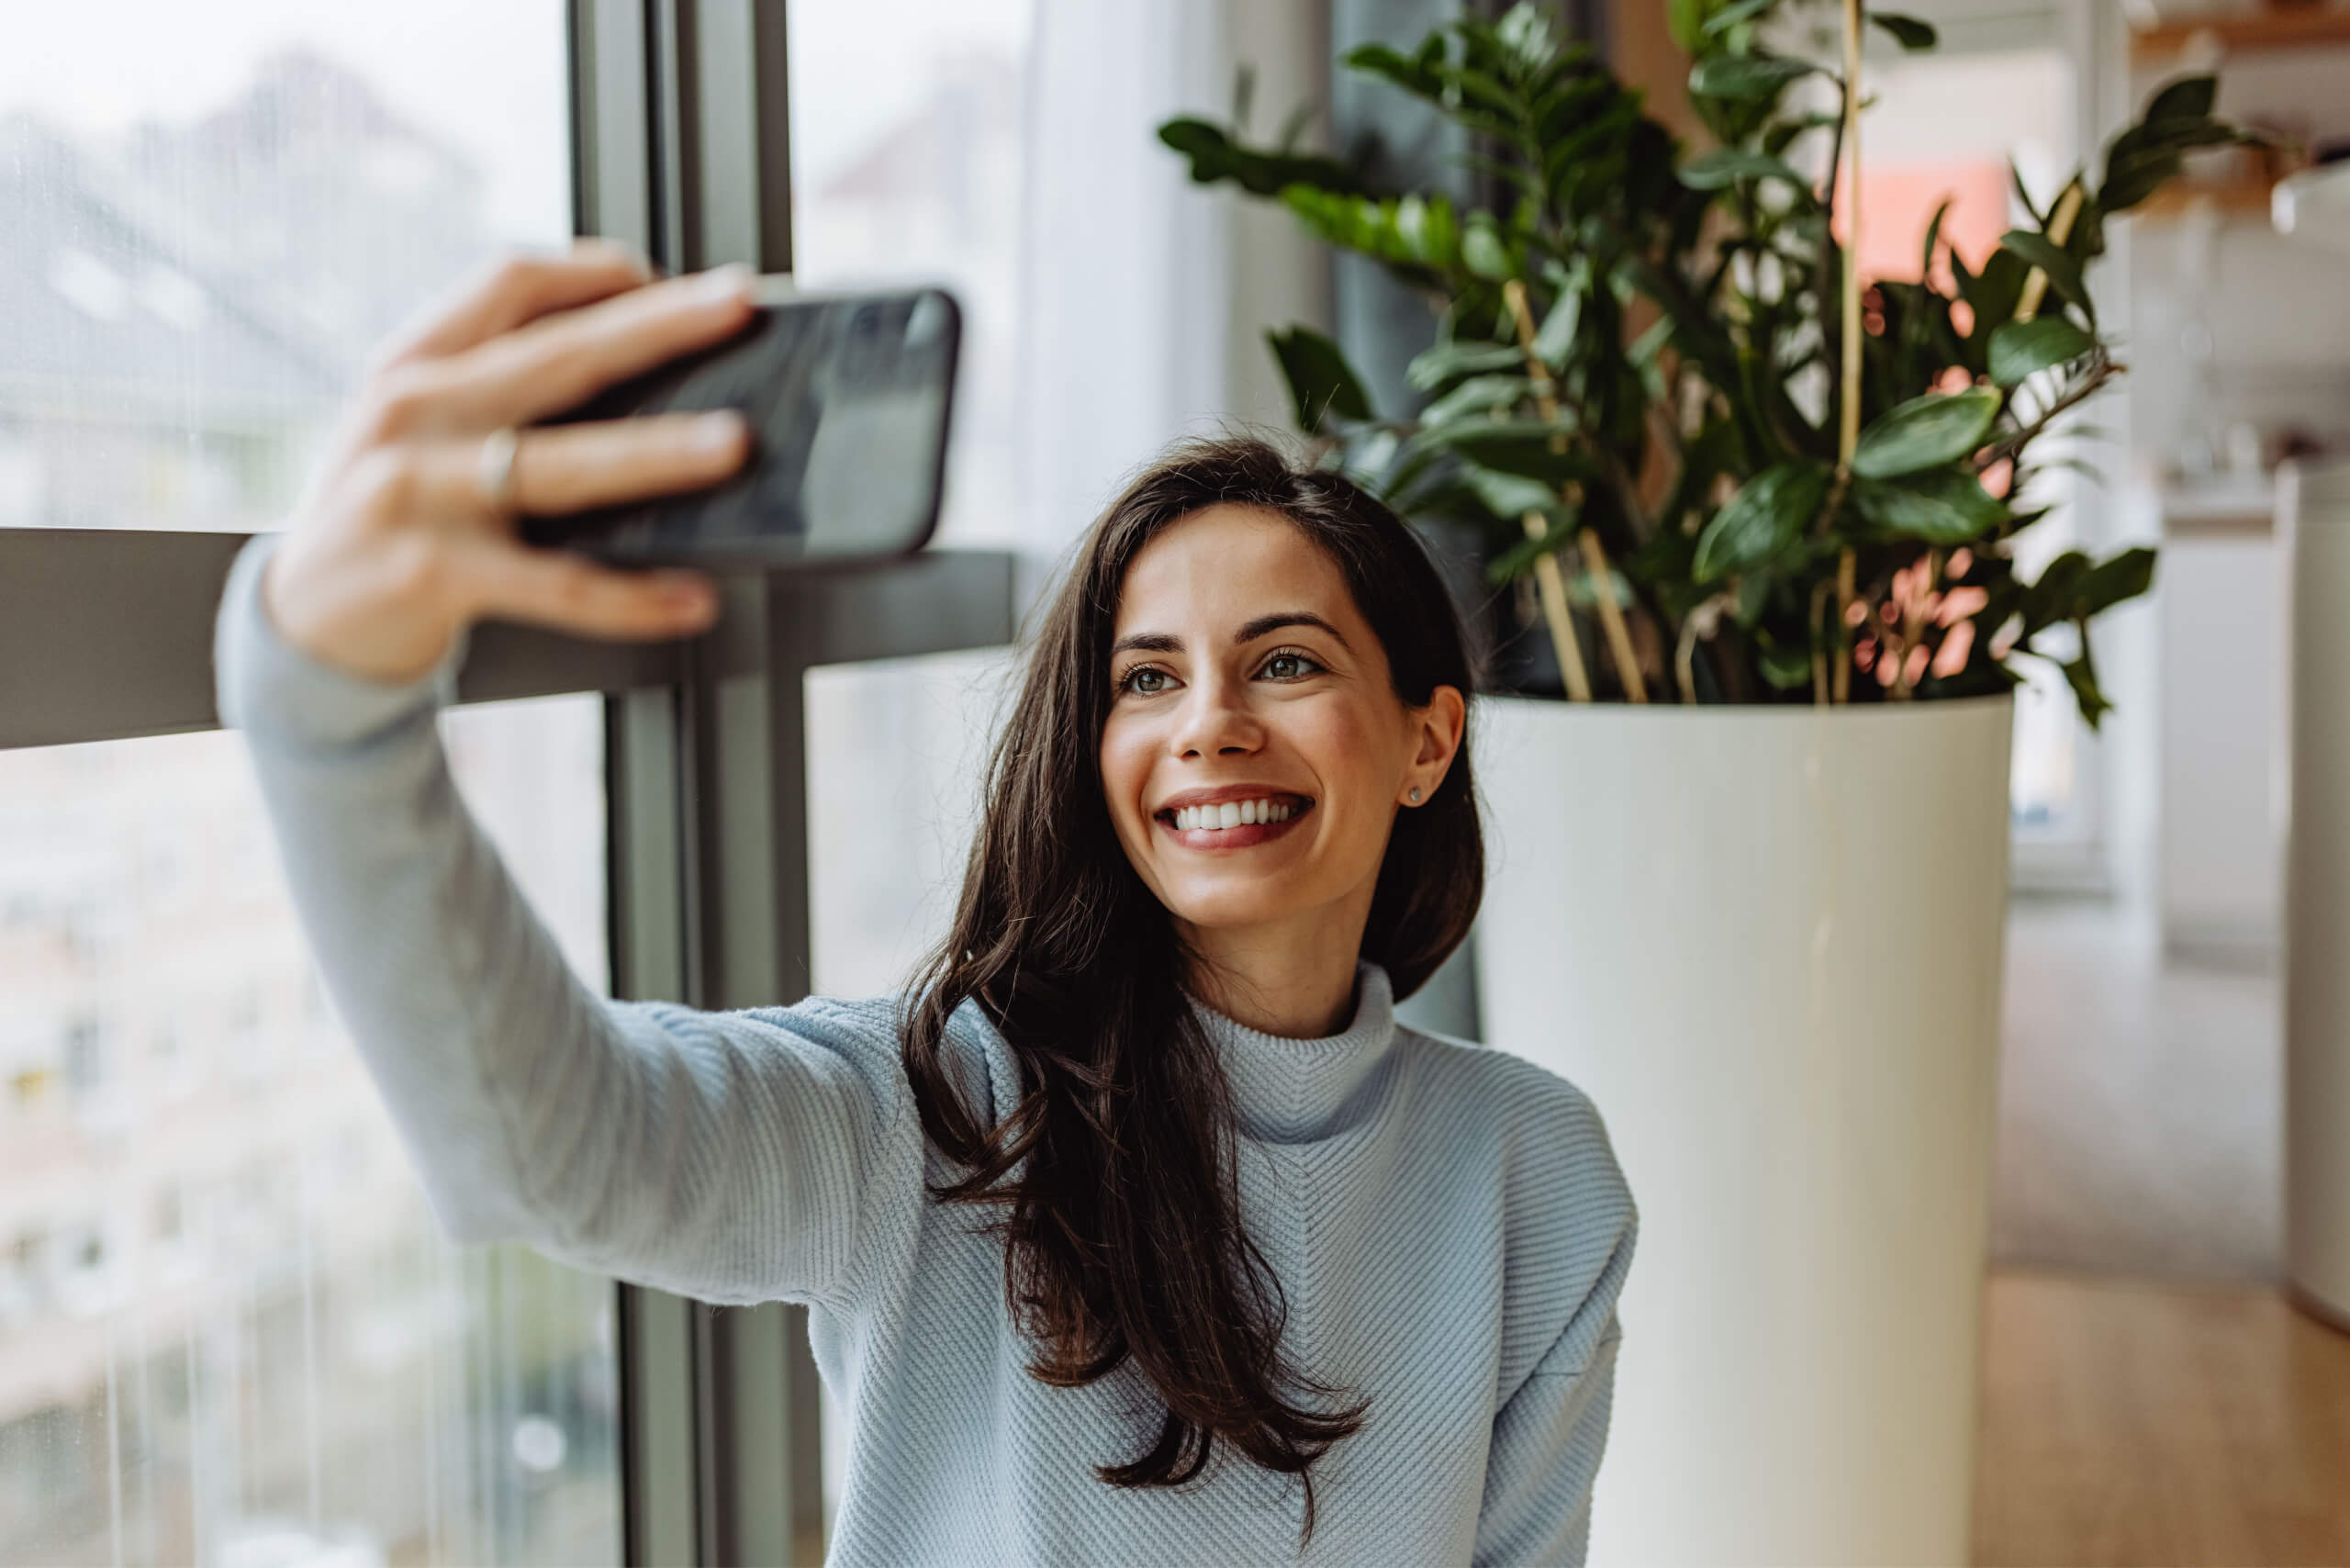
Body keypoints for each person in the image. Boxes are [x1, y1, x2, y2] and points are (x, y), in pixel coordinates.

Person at [212, 240, 1637, 1567]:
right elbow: (557, 1148)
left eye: (1284, 663)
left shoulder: (1535, 1172)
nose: (1207, 724)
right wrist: (329, 702)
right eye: (1146, 680)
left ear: (1427, 740)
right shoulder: (934, 1112)